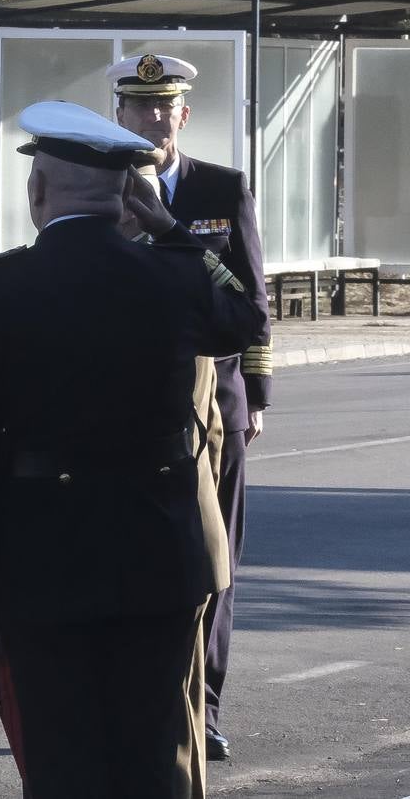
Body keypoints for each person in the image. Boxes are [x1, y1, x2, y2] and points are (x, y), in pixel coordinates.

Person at [0, 100, 266, 799]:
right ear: (129, 197)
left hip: (41, 563)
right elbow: (245, 318)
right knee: (154, 760)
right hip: (159, 556)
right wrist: (174, 231)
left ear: (36, 192)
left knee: (63, 763)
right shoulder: (173, 275)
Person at [110, 53, 273, 761]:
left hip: (217, 401)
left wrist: (256, 398)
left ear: (183, 114)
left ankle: (202, 708)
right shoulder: (103, 188)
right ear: (119, 114)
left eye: (163, 107)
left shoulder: (221, 188)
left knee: (215, 565)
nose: (151, 119)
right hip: (134, 407)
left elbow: (253, 304)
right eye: (139, 107)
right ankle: (139, 702)